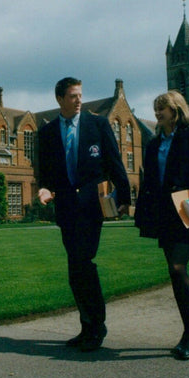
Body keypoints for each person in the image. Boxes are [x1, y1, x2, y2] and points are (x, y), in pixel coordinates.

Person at [37, 77, 131, 351]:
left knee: (83, 261)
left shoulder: (97, 124)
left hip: (91, 206)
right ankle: (87, 326)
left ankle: (96, 327)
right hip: (66, 206)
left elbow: (114, 162)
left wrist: (123, 197)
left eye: (80, 95)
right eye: (72, 96)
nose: (79, 100)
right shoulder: (48, 132)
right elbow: (45, 173)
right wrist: (44, 189)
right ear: (60, 99)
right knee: (75, 266)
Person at [134, 90, 189, 360]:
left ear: (176, 110)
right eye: (156, 107)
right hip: (164, 214)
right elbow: (149, 182)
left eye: (162, 107)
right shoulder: (152, 143)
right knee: (174, 271)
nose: (157, 112)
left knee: (177, 266)